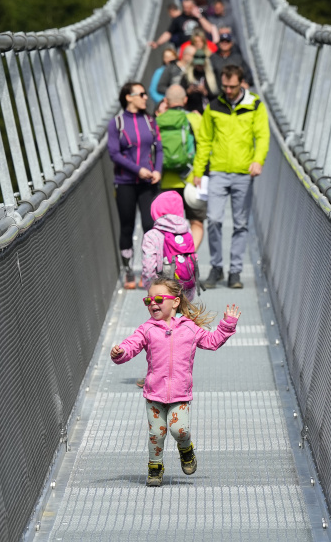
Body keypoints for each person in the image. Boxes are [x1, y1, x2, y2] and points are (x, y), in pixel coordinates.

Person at [110, 276, 240, 487]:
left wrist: (226, 326)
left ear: (176, 301)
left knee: (179, 430)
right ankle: (155, 467)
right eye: (148, 300)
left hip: (179, 393)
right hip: (154, 393)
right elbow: (131, 345)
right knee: (156, 433)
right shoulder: (147, 329)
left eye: (159, 299)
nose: (153, 303)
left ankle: (186, 449)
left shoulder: (189, 328)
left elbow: (211, 342)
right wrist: (119, 352)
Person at [193, 65, 270, 290]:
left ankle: (234, 272)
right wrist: (198, 170)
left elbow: (262, 136)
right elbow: (205, 139)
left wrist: (258, 160)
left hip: (243, 172)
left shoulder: (255, 105)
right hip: (217, 171)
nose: (228, 90)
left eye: (232, 86)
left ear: (242, 83)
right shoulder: (214, 106)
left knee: (240, 223)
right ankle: (216, 267)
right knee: (214, 220)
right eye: (225, 86)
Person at [107, 82, 163, 289]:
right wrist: (137, 169)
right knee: (127, 227)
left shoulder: (150, 121)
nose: (146, 97)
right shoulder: (117, 123)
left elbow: (159, 149)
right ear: (128, 97)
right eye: (141, 94)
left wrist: (157, 170)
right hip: (125, 183)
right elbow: (114, 153)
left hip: (148, 183)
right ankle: (129, 270)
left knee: (151, 226)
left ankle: (148, 272)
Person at [158, 84, 205, 247]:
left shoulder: (158, 120)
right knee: (196, 222)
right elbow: (204, 147)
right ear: (185, 100)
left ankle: (173, 259)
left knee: (170, 226)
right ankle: (190, 256)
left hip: (166, 181)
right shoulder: (194, 118)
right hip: (192, 179)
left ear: (166, 101)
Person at [141, 191, 198, 298]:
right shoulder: (186, 231)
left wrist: (151, 289)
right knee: (182, 315)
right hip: (186, 290)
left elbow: (148, 267)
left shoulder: (152, 235)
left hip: (162, 295)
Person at [149, 0, 217, 52]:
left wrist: (198, 16)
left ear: (193, 6)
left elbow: (209, 29)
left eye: (188, 7)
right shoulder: (178, 19)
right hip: (186, 48)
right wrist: (157, 43)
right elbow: (168, 33)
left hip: (200, 46)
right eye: (184, 7)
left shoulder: (200, 17)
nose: (186, 9)